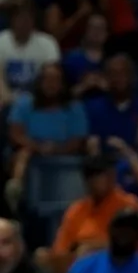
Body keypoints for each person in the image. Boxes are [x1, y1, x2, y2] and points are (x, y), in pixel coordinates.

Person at [5, 61, 88, 205]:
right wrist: (38, 147)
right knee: (22, 154)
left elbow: (77, 140)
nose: (51, 85)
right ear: (39, 82)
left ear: (63, 84)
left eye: (56, 80)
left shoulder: (75, 108)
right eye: (47, 80)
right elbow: (15, 134)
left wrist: (56, 150)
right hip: (31, 153)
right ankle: (16, 193)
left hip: (64, 157)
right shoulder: (24, 103)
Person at [44, 153, 138, 273]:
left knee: (86, 253)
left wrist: (92, 247)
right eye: (92, 176)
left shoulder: (127, 205)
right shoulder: (76, 210)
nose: (96, 181)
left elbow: (132, 244)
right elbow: (61, 249)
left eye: (102, 175)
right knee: (41, 256)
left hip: (117, 265)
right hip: (77, 266)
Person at [81, 52, 138, 158]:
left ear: (132, 77)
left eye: (123, 73)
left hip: (137, 164)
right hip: (102, 164)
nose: (119, 78)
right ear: (106, 78)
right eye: (113, 74)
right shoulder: (91, 108)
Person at [2, 0, 61, 94]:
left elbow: (52, 78)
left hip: (38, 98)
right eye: (20, 17)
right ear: (12, 19)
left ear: (34, 20)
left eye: (28, 18)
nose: (24, 22)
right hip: (6, 97)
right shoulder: (1, 41)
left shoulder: (48, 43)